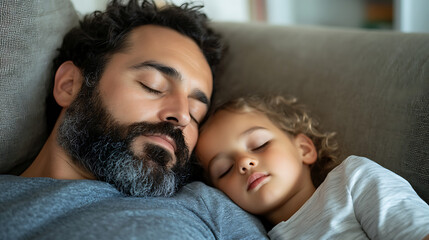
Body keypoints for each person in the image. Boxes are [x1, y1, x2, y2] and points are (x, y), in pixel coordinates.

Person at [0, 1, 268, 239]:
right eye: (152, 85)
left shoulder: (209, 207)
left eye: (197, 113)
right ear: (70, 85)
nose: (183, 116)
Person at [195, 95, 429, 239]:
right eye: (224, 169)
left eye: (259, 144)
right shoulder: (250, 234)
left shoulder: (353, 179)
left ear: (304, 149)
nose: (244, 163)